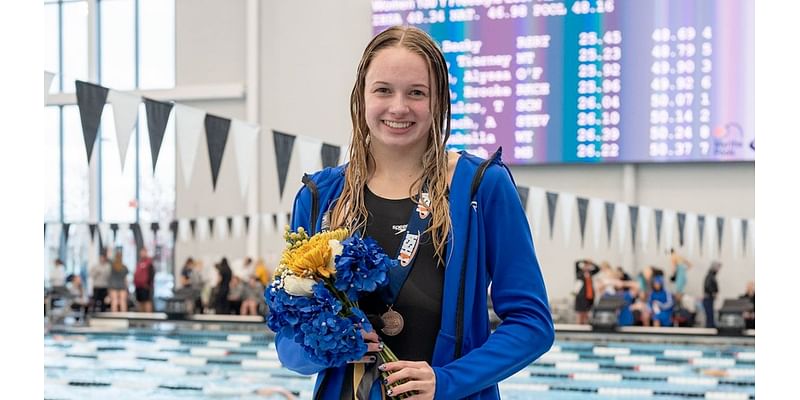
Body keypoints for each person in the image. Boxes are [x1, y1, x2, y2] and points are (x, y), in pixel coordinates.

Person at [273, 26, 554, 400]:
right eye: (383, 90)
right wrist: (329, 343)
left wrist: (449, 380)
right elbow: (288, 340)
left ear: (439, 102)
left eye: (417, 93)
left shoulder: (480, 187)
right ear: (361, 97)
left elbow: (532, 323)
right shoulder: (320, 197)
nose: (399, 107)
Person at [572, 259, 600, 325]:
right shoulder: (579, 272)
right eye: (585, 265)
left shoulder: (590, 273)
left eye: (588, 266)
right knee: (580, 313)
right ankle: (579, 327)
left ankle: (585, 327)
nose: (587, 267)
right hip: (581, 296)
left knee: (586, 314)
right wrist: (584, 260)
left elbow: (598, 268)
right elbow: (576, 263)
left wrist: (591, 262)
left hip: (589, 296)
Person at [133, 248, 156, 313]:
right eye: (141, 252)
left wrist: (148, 284)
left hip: (146, 287)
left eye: (143, 252)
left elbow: (152, 274)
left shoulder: (149, 262)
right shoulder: (139, 262)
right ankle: (141, 319)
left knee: (147, 302)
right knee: (140, 302)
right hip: (138, 286)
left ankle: (148, 318)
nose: (142, 254)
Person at [703, 261, 722, 328]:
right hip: (708, 299)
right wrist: (713, 293)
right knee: (710, 316)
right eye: (718, 268)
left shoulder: (711, 276)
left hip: (710, 299)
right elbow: (707, 286)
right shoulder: (710, 276)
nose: (718, 270)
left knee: (711, 315)